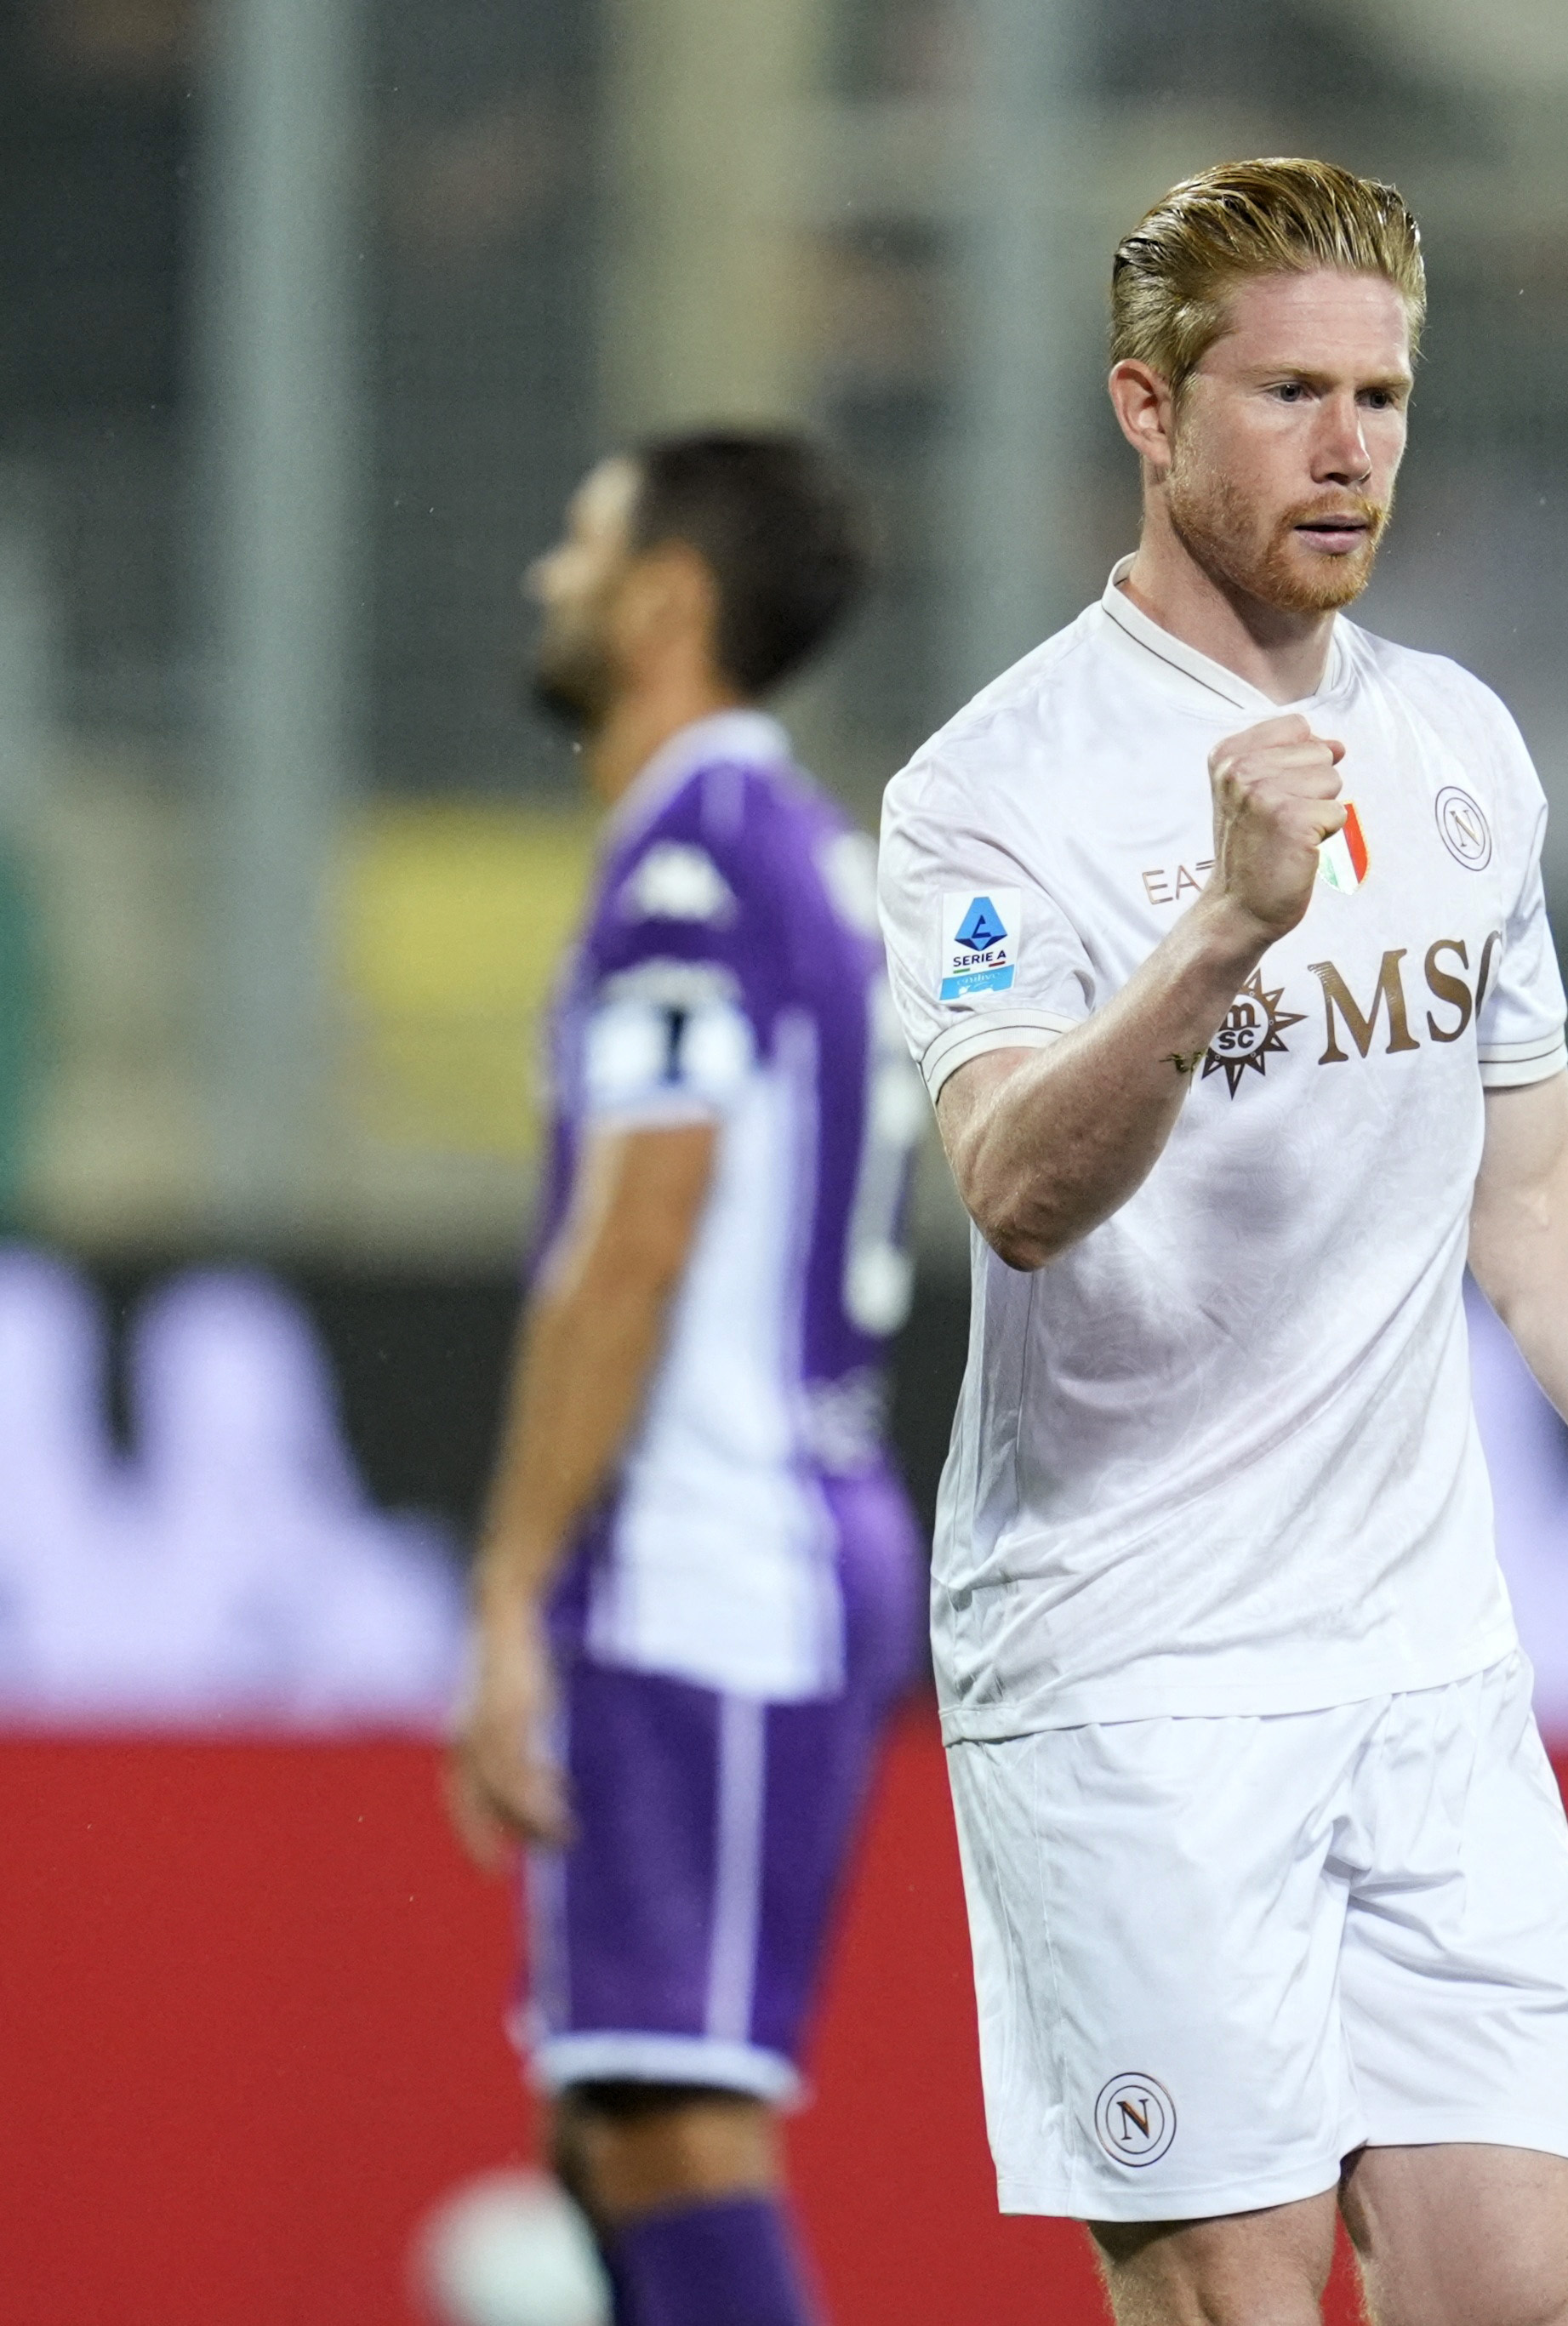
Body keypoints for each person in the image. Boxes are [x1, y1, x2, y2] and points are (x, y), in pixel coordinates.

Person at [872, 157, 1568, 2326]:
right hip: (1129, 1668)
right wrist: (1225, 920)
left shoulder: (1461, 747)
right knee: (1234, 2295)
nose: (1349, 449)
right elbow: (1018, 1187)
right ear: (1146, 407)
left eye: (1385, 397)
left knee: (1536, 2280)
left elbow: (1536, 1189)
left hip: (1426, 1668)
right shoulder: (989, 793)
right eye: (1291, 392)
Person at [448, 430, 919, 2326]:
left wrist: (506, 1583)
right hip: (781, 1533)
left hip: (710, 1548)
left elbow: (638, 1232)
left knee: (668, 2123)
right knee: (614, 2114)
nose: (544, 581)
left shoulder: (691, 861)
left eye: (579, 543)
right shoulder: (798, 844)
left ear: (665, 600)